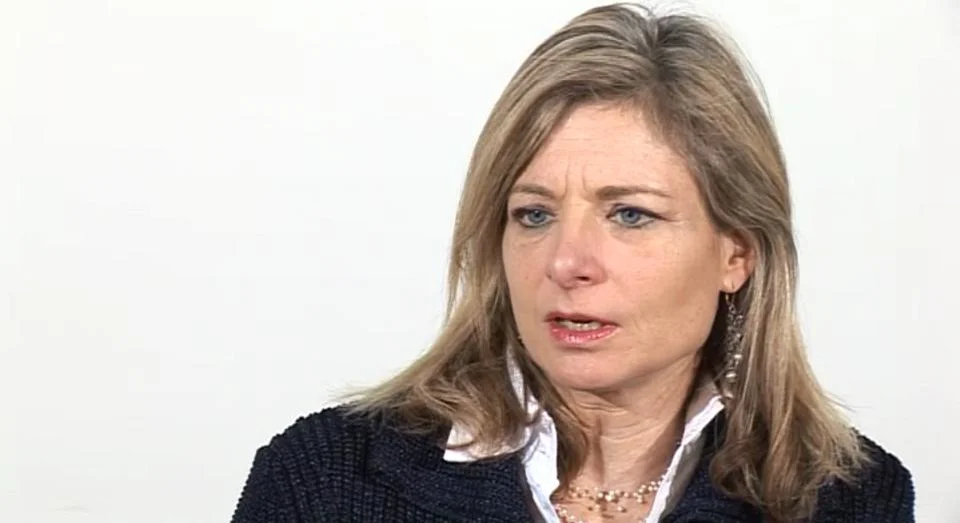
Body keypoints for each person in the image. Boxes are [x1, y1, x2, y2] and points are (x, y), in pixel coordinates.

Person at [231, 3, 914, 522]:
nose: (567, 262)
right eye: (534, 214)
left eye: (630, 214)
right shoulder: (326, 478)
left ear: (736, 252)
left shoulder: (851, 499)